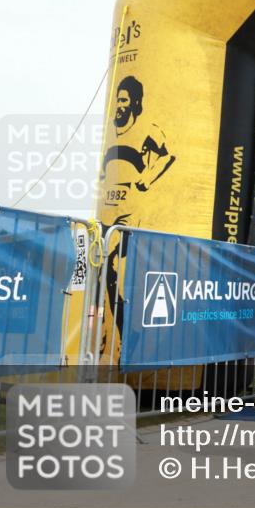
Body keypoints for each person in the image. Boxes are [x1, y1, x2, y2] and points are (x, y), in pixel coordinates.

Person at [99, 75, 176, 345]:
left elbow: (167, 156)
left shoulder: (147, 129)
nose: (118, 105)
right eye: (117, 100)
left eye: (123, 100)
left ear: (134, 103)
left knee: (111, 264)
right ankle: (117, 329)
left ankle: (124, 332)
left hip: (129, 214)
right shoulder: (110, 131)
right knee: (103, 271)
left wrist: (148, 178)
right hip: (108, 210)